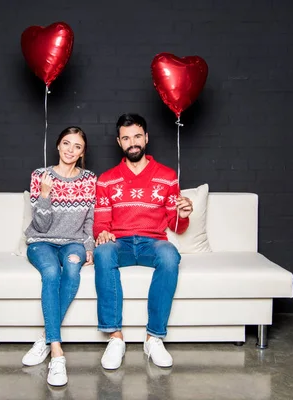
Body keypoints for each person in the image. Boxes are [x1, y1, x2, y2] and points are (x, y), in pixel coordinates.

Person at [93, 113, 194, 370]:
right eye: (126, 138)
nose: (133, 142)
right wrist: (102, 234)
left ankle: (154, 337)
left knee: (170, 255)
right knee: (103, 253)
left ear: (146, 138)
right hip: (121, 243)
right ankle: (115, 338)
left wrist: (182, 215)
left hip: (153, 242)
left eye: (137, 136)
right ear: (119, 142)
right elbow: (101, 223)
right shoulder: (106, 179)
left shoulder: (167, 175)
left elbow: (175, 225)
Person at [22, 126, 97, 387]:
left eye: (77, 146)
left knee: (73, 268)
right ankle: (56, 351)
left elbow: (90, 218)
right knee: (52, 273)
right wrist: (44, 194)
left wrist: (89, 247)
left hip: (73, 243)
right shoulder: (40, 176)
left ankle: (44, 337)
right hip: (41, 242)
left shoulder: (89, 179)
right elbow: (41, 227)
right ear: (58, 145)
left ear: (82, 152)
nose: (70, 150)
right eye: (66, 143)